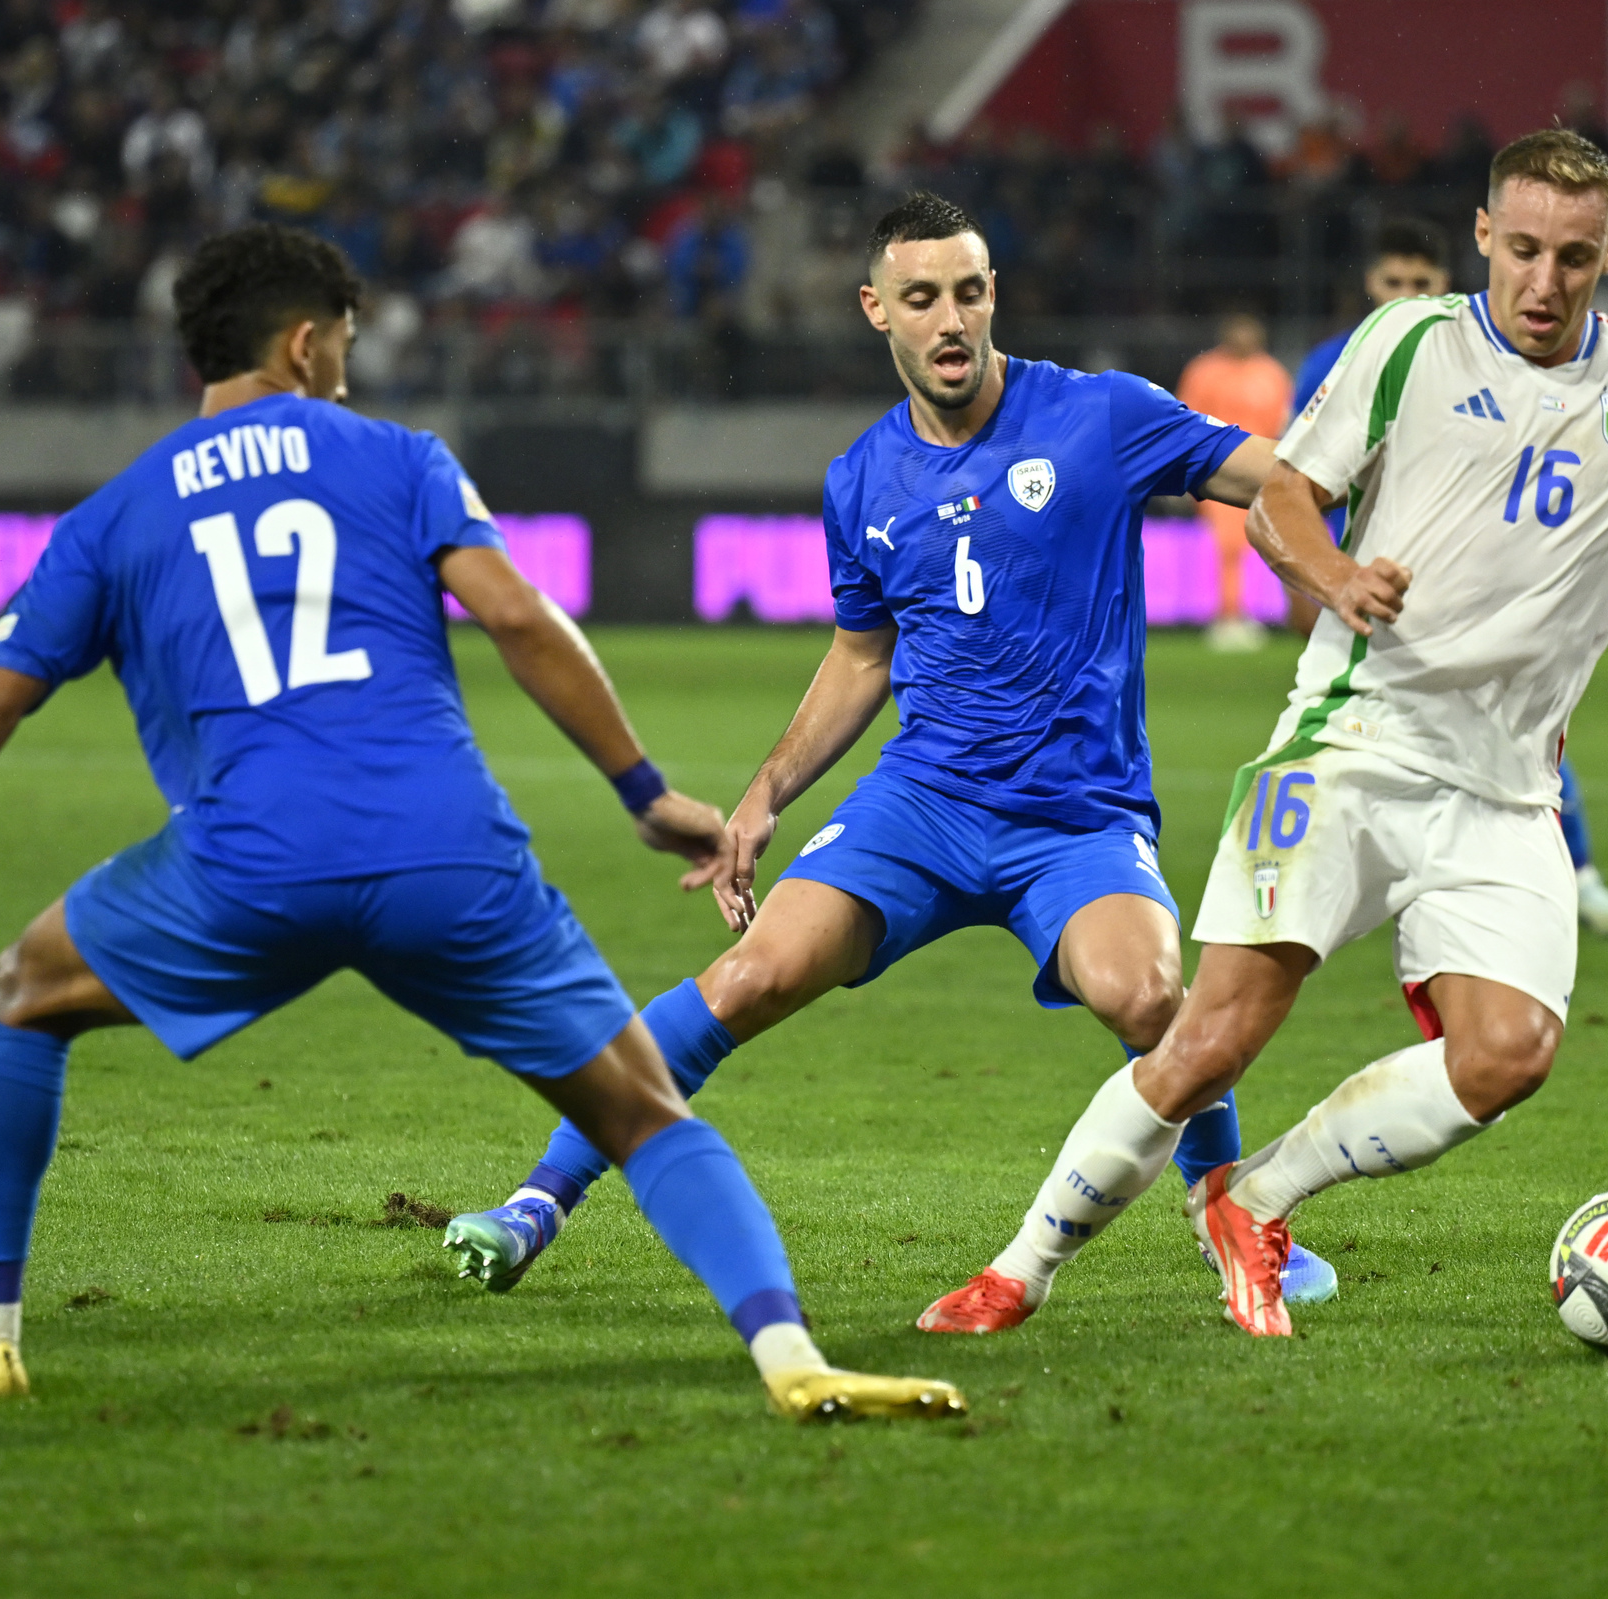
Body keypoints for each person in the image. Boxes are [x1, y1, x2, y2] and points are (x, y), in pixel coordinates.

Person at [919, 129, 1608, 1336]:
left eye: (1572, 257)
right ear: (1482, 239)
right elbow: (1285, 495)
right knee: (1210, 1043)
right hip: (1350, 745)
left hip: (1506, 791)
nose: (1543, 284)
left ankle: (1260, 1197)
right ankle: (1018, 1270)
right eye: (1521, 252)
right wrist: (1336, 576)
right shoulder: (1407, 343)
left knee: (1507, 1053)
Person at [0, 224, 961, 1422]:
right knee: (644, 1113)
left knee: (26, 994)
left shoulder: (115, 518)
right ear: (303, 342)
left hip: (243, 868)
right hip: (450, 861)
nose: (344, 365)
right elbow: (523, 620)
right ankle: (792, 1359)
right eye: (339, 345)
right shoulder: (399, 459)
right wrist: (644, 794)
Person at [445, 193, 1339, 1317]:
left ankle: (1235, 1214)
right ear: (879, 311)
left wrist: (1383, 515)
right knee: (753, 975)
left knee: (1153, 996)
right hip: (923, 806)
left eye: (969, 291)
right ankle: (535, 1203)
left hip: (1076, 816)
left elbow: (1280, 476)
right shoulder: (861, 481)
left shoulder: (1101, 417)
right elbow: (862, 657)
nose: (950, 318)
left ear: (992, 295)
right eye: (922, 298)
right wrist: (765, 793)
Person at [1292, 217, 1608, 936]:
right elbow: (1303, 480)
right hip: (1374, 591)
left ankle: (1577, 872)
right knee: (1366, 739)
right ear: (1370, 284)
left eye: (1421, 282)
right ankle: (1367, 886)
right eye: (1395, 282)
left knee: (1510, 730)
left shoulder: (1494, 358)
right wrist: (1325, 576)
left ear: (1445, 281)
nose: (1407, 293)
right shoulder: (1344, 358)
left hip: (1473, 599)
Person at [1177, 309, 1293, 651]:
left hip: (1265, 470)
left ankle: (1247, 613)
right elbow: (1186, 418)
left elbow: (1287, 421)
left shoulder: (1271, 373)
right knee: (1228, 545)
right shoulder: (1204, 372)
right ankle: (1228, 616)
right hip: (1215, 470)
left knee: (1256, 544)